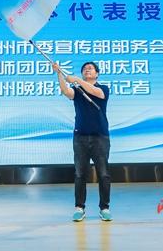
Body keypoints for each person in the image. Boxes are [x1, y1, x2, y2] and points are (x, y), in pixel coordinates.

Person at [53, 61, 112, 222]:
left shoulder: (103, 88)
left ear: (97, 74)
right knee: (80, 174)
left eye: (90, 68)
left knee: (103, 174)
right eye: (85, 69)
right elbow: (66, 91)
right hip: (80, 137)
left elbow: (96, 93)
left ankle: (104, 208)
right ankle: (79, 208)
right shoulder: (78, 91)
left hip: (100, 137)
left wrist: (77, 80)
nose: (87, 70)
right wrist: (59, 74)